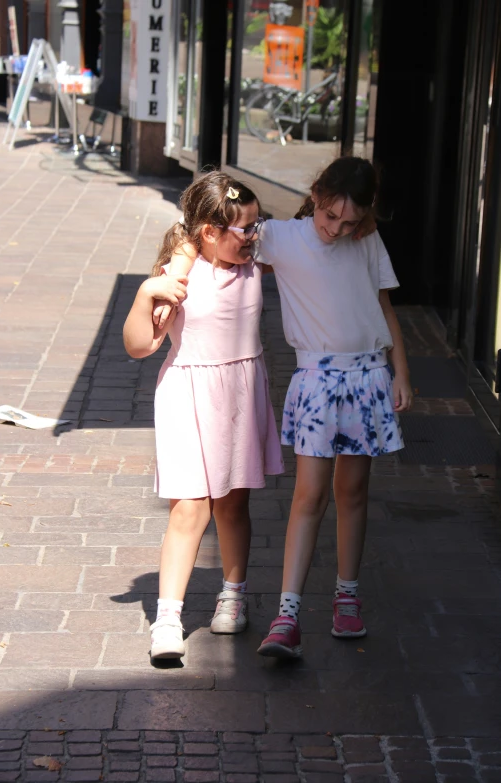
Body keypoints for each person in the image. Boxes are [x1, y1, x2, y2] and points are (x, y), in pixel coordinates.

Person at [162, 156, 413, 659]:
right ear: (316, 195)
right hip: (317, 378)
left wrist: (401, 371)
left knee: (354, 491)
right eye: (329, 216)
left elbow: (383, 306)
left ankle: (346, 596)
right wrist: (177, 273)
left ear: (364, 216)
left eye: (348, 220)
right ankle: (288, 613)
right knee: (309, 495)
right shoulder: (280, 236)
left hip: (367, 375)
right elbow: (206, 231)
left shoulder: (365, 238)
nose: (336, 228)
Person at [123, 171, 284, 660]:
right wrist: (147, 292)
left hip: (240, 393)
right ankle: (167, 619)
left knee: (233, 504)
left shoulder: (256, 264)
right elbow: (139, 346)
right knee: (188, 508)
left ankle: (233, 595)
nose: (254, 235)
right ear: (210, 232)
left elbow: (308, 236)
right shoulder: (180, 274)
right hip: (187, 394)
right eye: (244, 228)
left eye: (257, 224)